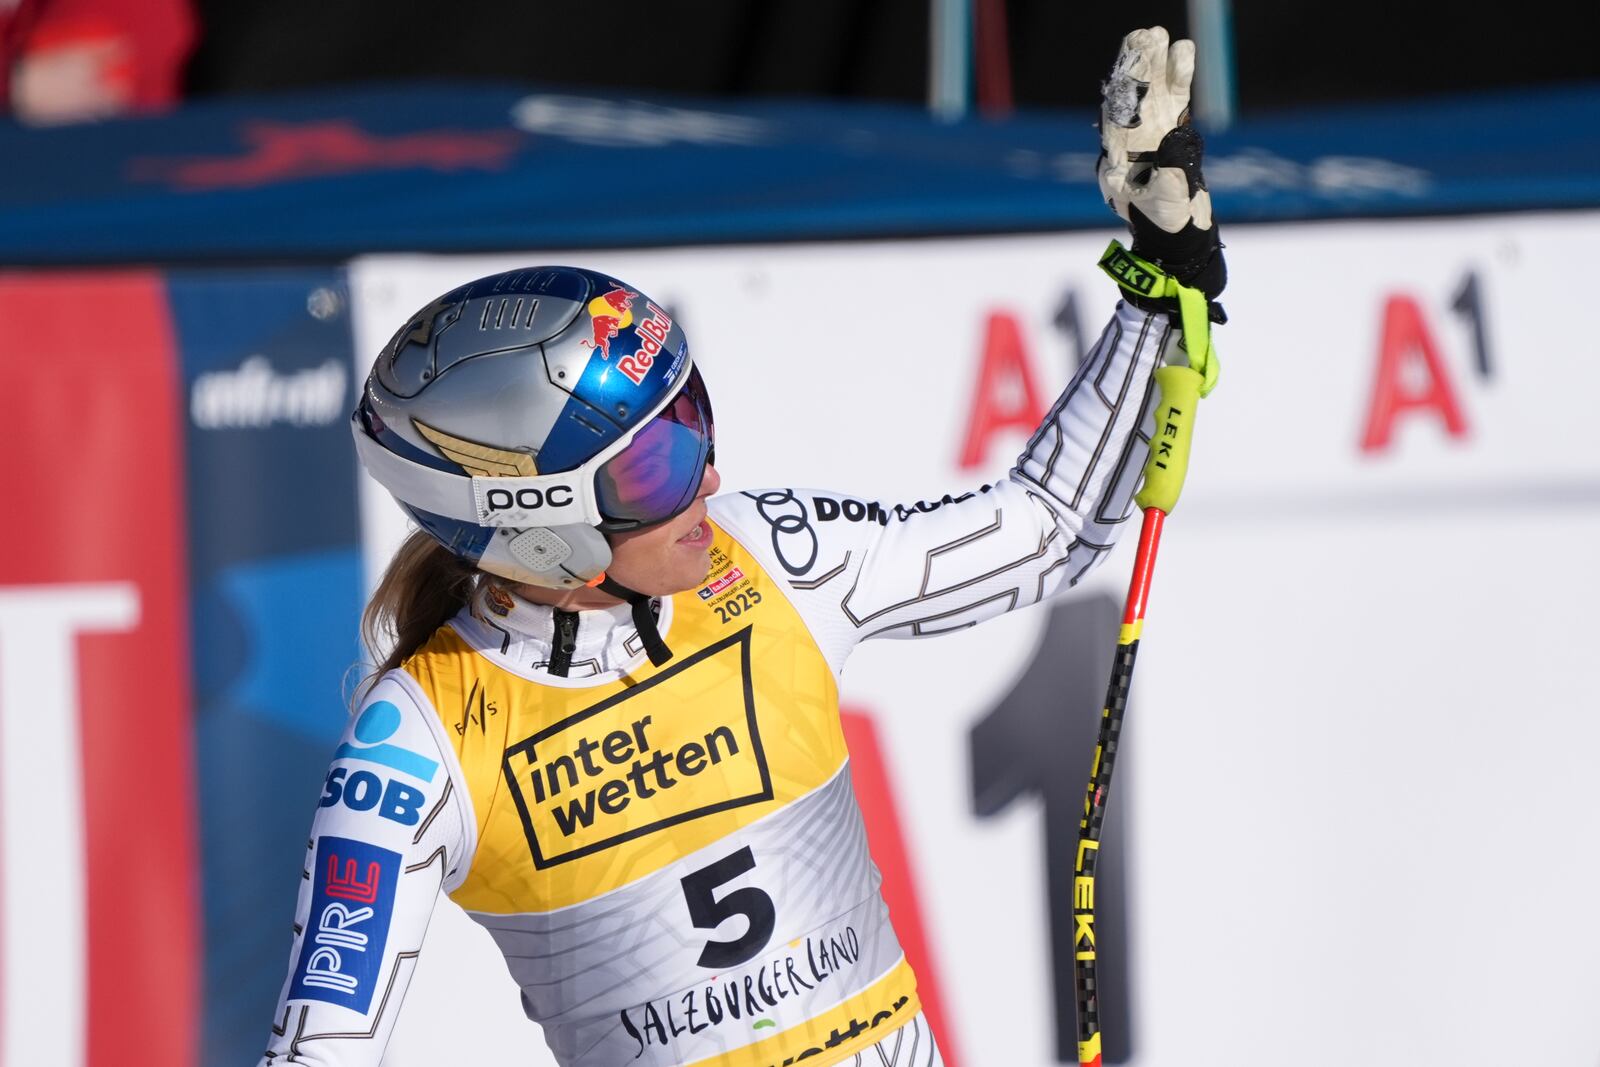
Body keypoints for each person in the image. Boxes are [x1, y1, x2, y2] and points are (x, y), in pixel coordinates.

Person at [258, 25, 1224, 1067]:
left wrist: (1154, 289)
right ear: (533, 524)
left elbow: (1044, 529)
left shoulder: (768, 555)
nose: (706, 482)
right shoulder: (414, 745)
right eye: (654, 469)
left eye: (693, 426)